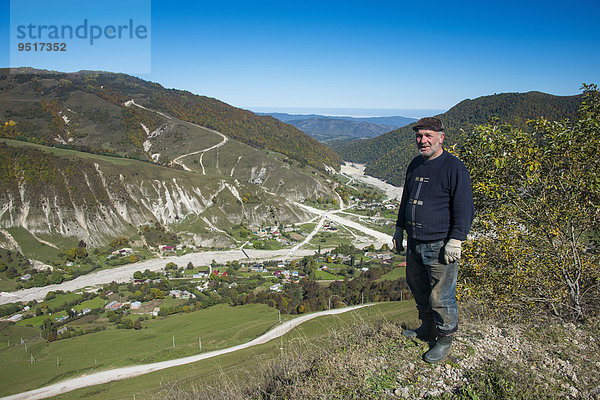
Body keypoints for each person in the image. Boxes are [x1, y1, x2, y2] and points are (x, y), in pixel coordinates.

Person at [392, 117, 474, 363]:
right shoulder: (416, 164)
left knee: (441, 295)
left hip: (439, 245)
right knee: (418, 288)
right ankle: (427, 328)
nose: (423, 140)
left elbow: (464, 208)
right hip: (415, 242)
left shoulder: (454, 167)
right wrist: (399, 229)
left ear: (441, 137)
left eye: (428, 135)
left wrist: (456, 240)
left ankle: (444, 339)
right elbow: (406, 199)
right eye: (419, 136)